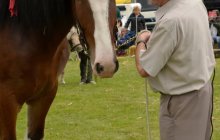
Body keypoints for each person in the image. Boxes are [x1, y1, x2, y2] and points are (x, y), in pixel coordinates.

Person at [135, 0, 216, 140]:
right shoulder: (195, 3)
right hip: (201, 92)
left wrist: (140, 41)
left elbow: (144, 68)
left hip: (182, 101)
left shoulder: (171, 20)